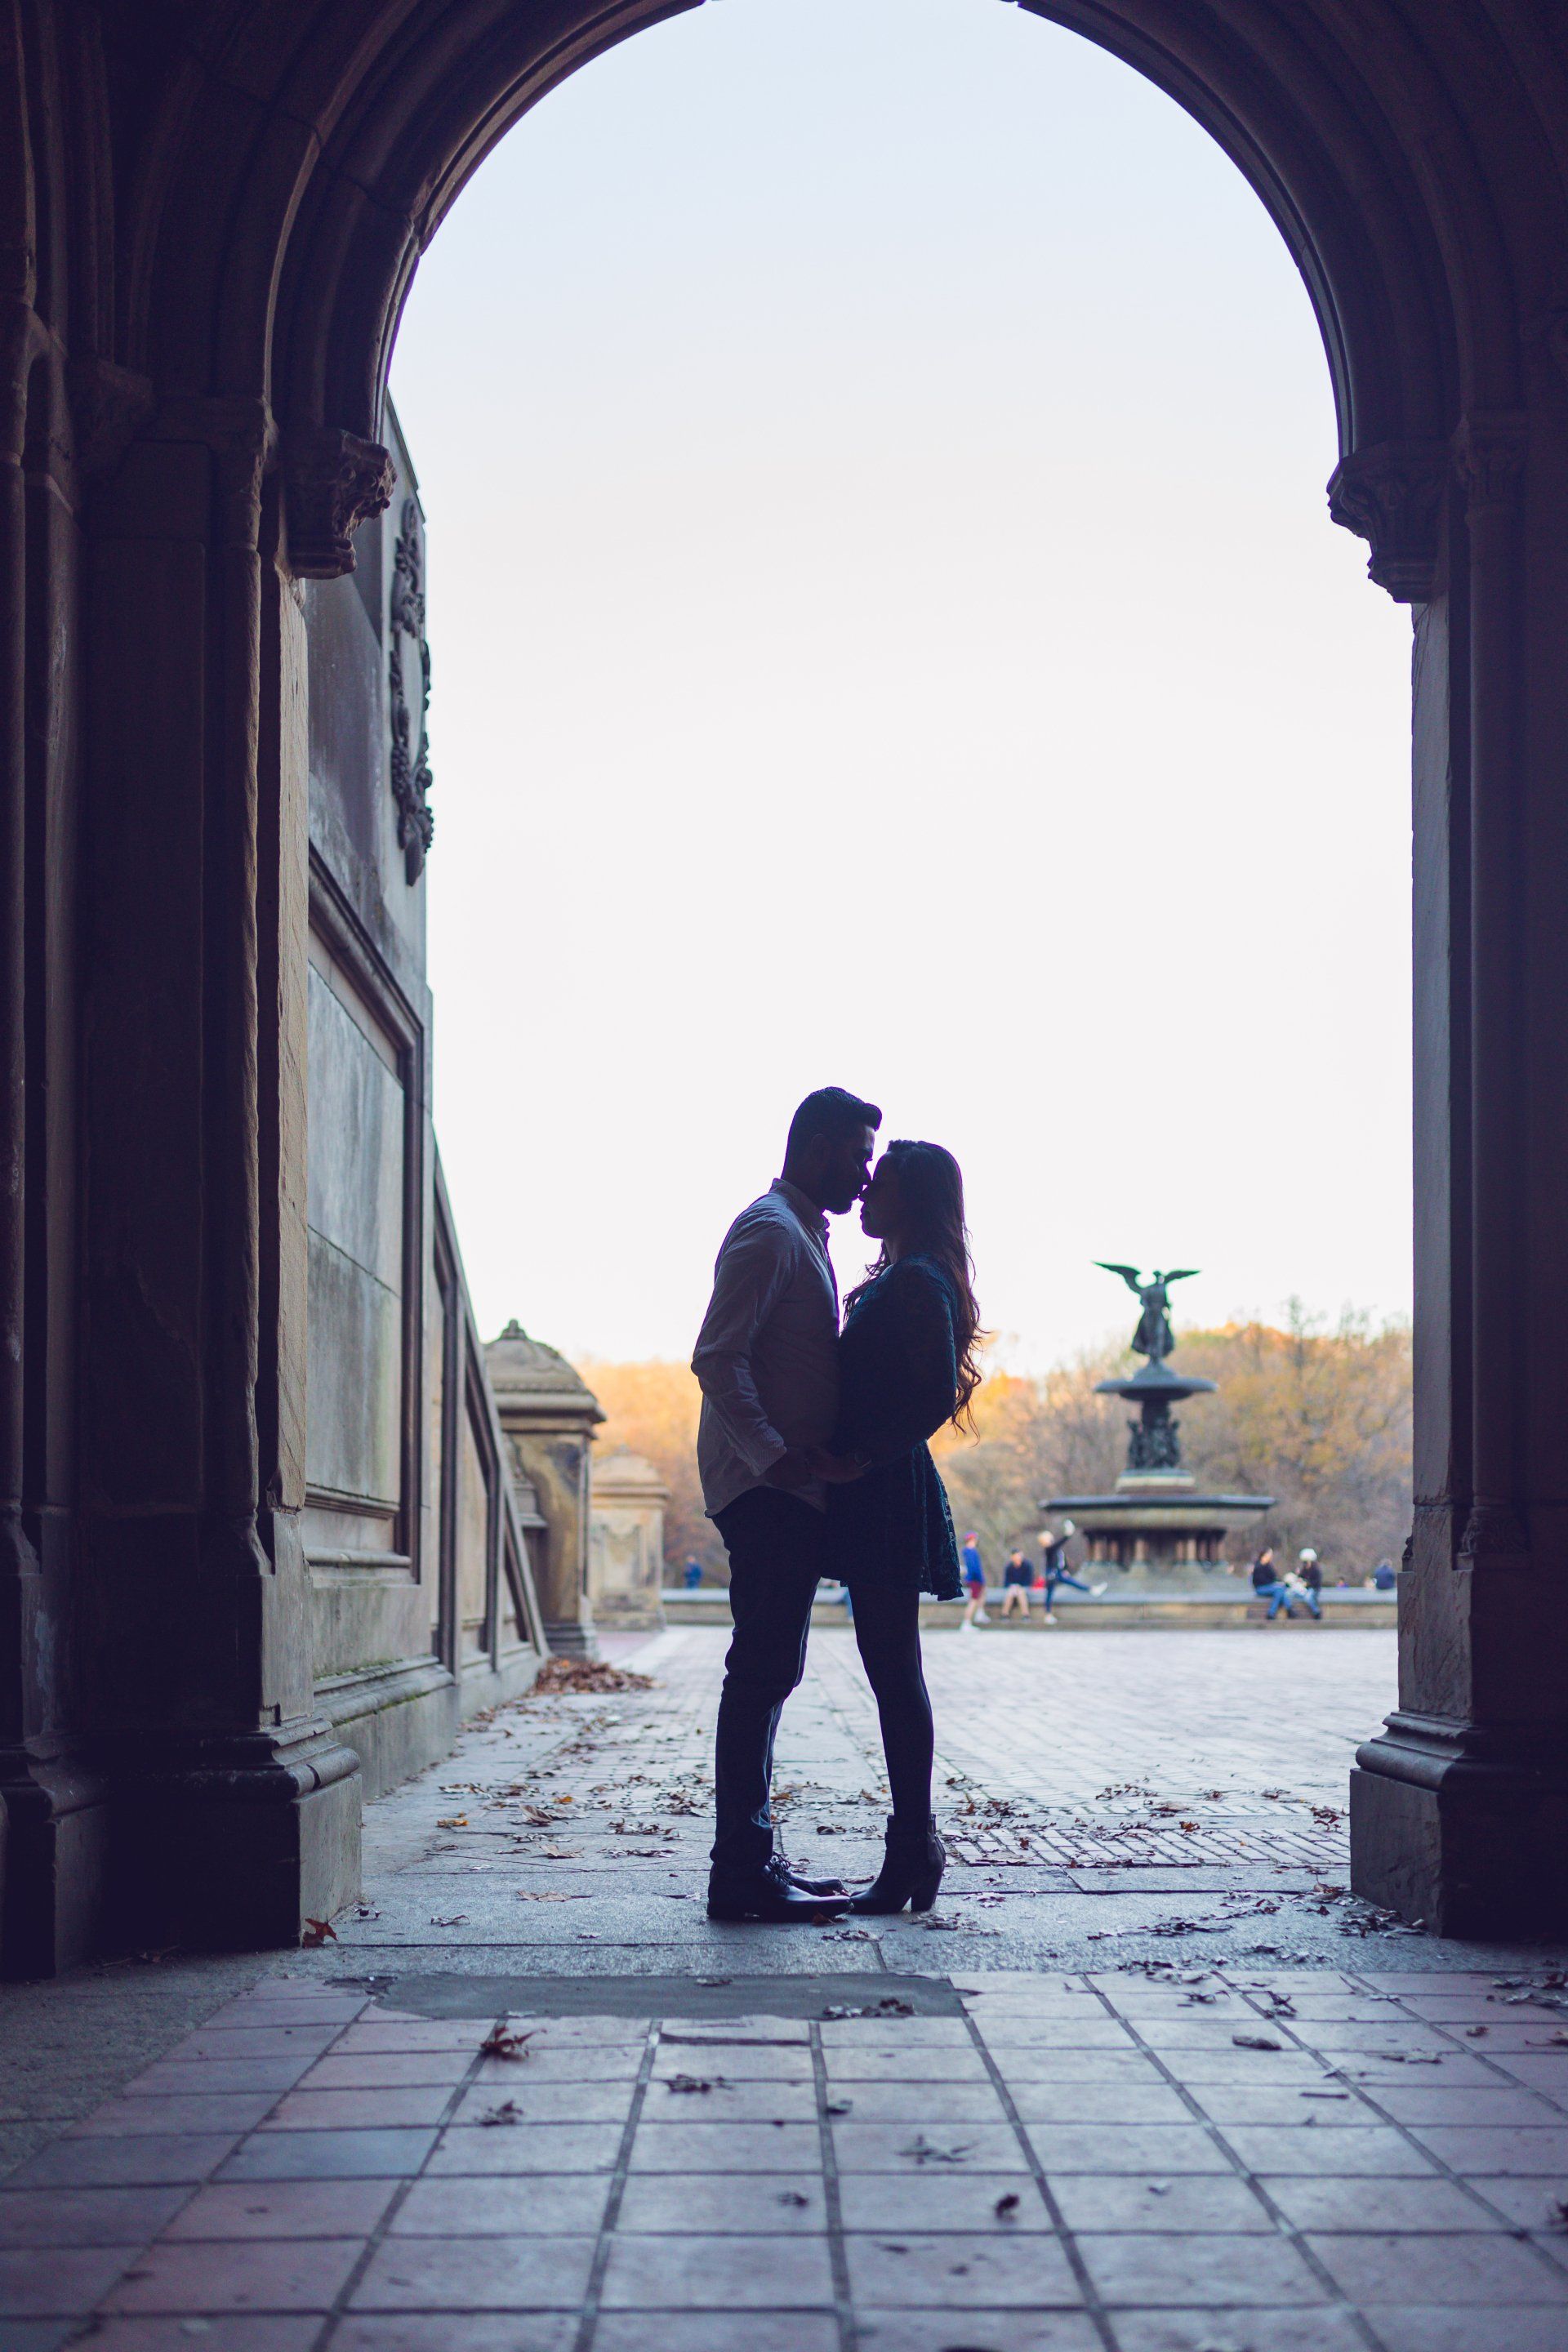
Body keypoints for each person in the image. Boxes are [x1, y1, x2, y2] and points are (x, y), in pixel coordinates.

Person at [691, 1085, 880, 1923]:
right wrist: (772, 1457)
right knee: (762, 1671)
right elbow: (716, 1356)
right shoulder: (771, 1232)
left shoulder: (802, 1232)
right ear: (817, 1146)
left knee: (772, 1670)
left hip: (785, 1490)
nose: (866, 1174)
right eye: (858, 1156)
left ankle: (754, 1859)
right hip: (765, 1491)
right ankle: (740, 1872)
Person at [817, 1138, 982, 1916]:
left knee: (893, 1671)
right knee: (891, 1669)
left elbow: (935, 1393)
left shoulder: (917, 1279)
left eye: (878, 1184)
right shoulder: (909, 1274)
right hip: (877, 1486)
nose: (864, 1194)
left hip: (885, 1490)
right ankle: (915, 1846)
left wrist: (862, 1455)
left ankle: (914, 1846)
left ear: (909, 1200)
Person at [1038, 1522, 1104, 1622]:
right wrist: (1067, 1535)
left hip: (1058, 1572)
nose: (1050, 1539)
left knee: (1071, 1582)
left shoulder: (1055, 1549)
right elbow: (1058, 1545)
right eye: (1047, 1539)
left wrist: (1064, 1570)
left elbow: (1060, 1561)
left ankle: (1091, 1590)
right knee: (1050, 1593)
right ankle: (1048, 1615)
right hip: (1051, 1574)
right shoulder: (1049, 1549)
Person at [1250, 1544, 1298, 1620]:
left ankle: (1272, 1613)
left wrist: (1280, 1583)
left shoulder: (1268, 1565)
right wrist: (1275, 1584)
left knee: (1280, 1591)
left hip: (1270, 1587)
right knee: (1279, 1590)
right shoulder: (1258, 1566)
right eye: (1270, 1554)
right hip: (1260, 1588)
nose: (1271, 1556)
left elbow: (1274, 1577)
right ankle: (1289, 1610)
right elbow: (1261, 1581)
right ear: (1265, 1555)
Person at [960, 1531, 989, 1628]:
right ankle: (966, 1623)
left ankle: (980, 1613)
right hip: (975, 1579)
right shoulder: (971, 1551)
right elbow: (974, 1567)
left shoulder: (969, 1551)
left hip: (975, 1578)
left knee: (982, 1593)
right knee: (973, 1600)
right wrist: (979, 1579)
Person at [999, 1548, 1032, 1617]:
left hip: (1023, 1587)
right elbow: (1006, 1582)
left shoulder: (1027, 1565)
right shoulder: (1009, 1567)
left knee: (1021, 1593)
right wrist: (1012, 1586)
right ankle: (1004, 1614)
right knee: (1010, 1593)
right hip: (1012, 1588)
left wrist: (1019, 1586)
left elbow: (1029, 1580)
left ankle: (1025, 1614)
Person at [1296, 1547, 1324, 1620]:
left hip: (1314, 1589)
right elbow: (1301, 1576)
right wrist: (1299, 1577)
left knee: (1307, 1598)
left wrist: (1308, 1584)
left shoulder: (1316, 1570)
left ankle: (1316, 1612)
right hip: (1306, 1588)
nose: (1306, 1564)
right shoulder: (1305, 1568)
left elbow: (1317, 1582)